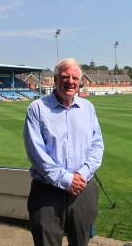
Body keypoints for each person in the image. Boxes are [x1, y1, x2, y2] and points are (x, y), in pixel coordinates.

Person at [23, 58, 104, 246]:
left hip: (83, 190)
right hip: (47, 192)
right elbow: (36, 153)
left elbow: (97, 146)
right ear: (56, 79)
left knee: (81, 242)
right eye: (65, 76)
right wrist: (66, 180)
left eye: (75, 77)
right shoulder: (37, 109)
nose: (71, 81)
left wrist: (80, 175)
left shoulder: (88, 108)